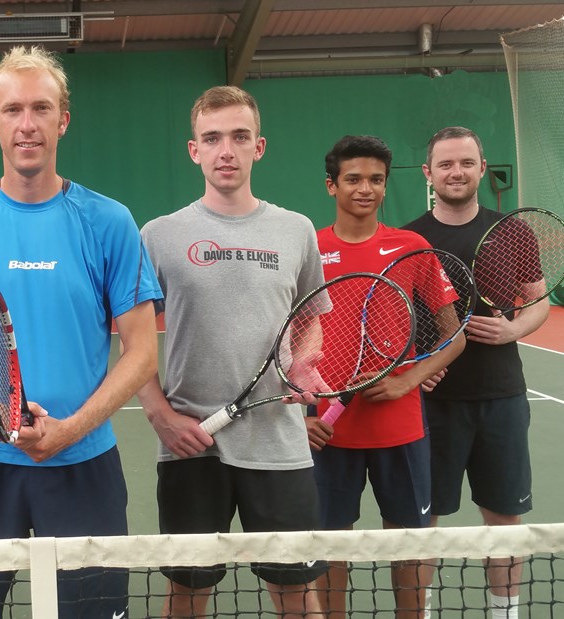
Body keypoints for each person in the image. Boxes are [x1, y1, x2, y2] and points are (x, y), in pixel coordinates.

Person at [0, 45, 161, 618]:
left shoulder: (110, 221)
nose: (28, 124)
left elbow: (142, 353)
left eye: (41, 109)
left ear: (63, 119)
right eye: (14, 110)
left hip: (83, 463)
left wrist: (70, 430)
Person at [137, 85, 326, 618]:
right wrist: (160, 415)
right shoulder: (159, 235)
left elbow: (311, 318)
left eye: (239, 137)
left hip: (279, 445)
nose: (227, 150)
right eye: (212, 138)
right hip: (190, 446)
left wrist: (305, 362)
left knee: (295, 591)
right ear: (193, 150)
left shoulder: (296, 230)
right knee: (188, 590)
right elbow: (130, 336)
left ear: (258, 147)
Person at [306, 135, 465, 619]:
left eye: (376, 179)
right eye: (353, 179)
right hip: (328, 432)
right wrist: (300, 412)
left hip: (401, 431)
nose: (365, 188)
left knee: (408, 545)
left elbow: (453, 335)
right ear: (331, 185)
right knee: (331, 547)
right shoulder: (308, 247)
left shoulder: (411, 247)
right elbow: (286, 339)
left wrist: (407, 380)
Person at [402, 126, 549, 619]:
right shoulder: (409, 238)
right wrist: (415, 367)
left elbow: (539, 300)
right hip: (431, 405)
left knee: (504, 519)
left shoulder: (512, 231)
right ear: (428, 173)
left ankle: (503, 614)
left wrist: (514, 330)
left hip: (501, 398)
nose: (456, 172)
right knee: (425, 522)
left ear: (482, 169)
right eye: (445, 164)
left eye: (466, 163)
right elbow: (393, 318)